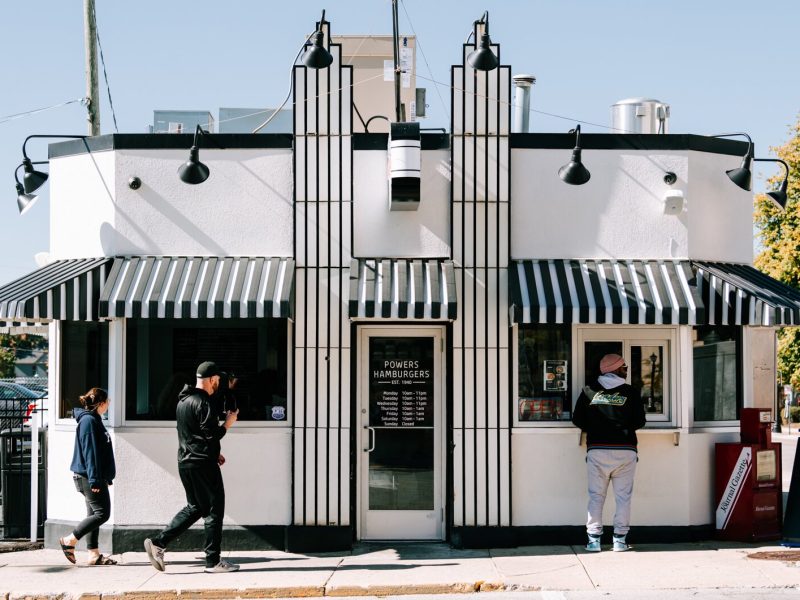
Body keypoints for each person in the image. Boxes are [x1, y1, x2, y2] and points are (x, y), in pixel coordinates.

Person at [144, 361, 239, 573]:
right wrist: (228, 423)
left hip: (187, 462)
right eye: (217, 381)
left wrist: (215, 453)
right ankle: (213, 562)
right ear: (213, 380)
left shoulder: (183, 401)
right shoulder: (204, 402)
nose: (218, 384)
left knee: (196, 507)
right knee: (214, 510)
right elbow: (211, 434)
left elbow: (194, 435)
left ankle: (159, 543)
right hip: (202, 464)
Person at [571, 353, 646, 553]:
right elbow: (640, 421)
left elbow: (577, 419)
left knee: (596, 496)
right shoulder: (631, 392)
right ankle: (619, 541)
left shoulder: (588, 391)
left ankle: (594, 541)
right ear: (615, 369)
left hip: (597, 450)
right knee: (623, 497)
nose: (627, 370)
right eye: (624, 367)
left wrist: (596, 427)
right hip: (625, 451)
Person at [58, 388, 117, 566]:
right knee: (102, 514)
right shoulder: (89, 422)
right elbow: (90, 453)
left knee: (93, 513)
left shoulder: (94, 420)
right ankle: (70, 540)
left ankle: (93, 554)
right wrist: (94, 480)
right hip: (88, 476)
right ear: (101, 403)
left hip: (92, 476)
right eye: (108, 401)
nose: (109, 405)